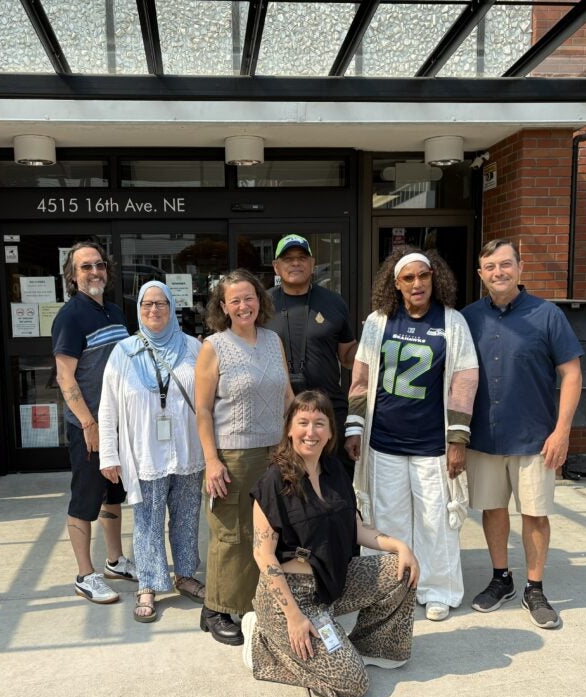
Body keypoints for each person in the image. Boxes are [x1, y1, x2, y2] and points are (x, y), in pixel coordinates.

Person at [245, 390, 419, 697]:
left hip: (333, 582)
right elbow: (263, 555)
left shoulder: (335, 471)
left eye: (319, 423)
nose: (311, 432)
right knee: (353, 684)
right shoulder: (273, 481)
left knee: (401, 569)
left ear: (330, 432)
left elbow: (357, 528)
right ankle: (264, 645)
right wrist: (294, 617)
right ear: (289, 429)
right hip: (292, 597)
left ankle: (369, 646)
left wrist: (399, 546)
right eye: (303, 422)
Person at [344, 248, 478, 622]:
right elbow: (361, 380)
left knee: (436, 518)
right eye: (409, 278)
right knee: (387, 520)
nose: (417, 283)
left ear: (435, 279)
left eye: (424, 276)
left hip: (431, 444)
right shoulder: (377, 322)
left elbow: (464, 382)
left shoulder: (452, 322)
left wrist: (457, 440)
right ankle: (390, 588)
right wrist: (354, 428)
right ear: (396, 284)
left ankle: (438, 590)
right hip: (383, 440)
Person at [461, 239, 583, 630]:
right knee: (492, 509)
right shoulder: (467, 318)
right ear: (480, 275)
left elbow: (571, 373)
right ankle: (501, 579)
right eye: (490, 267)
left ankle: (534, 586)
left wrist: (562, 431)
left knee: (535, 513)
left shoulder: (547, 315)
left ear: (520, 267)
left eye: (505, 264)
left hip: (534, 437)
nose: (499, 272)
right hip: (483, 437)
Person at [195, 269, 293, 645]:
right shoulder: (214, 347)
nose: (242, 305)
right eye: (234, 300)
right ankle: (216, 609)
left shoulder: (272, 341)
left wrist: (294, 442)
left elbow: (286, 395)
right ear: (223, 306)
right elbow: (203, 411)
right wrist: (212, 461)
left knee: (267, 532)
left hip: (274, 451)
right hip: (233, 455)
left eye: (248, 297)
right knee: (231, 534)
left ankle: (256, 602)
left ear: (260, 300)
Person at [99, 280, 205, 623]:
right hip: (144, 453)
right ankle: (149, 583)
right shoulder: (124, 351)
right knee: (147, 522)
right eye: (147, 305)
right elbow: (108, 408)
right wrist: (109, 455)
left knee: (187, 517)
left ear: (172, 308)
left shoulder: (193, 348)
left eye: (161, 304)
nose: (154, 310)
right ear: (139, 310)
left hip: (188, 451)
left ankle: (185, 575)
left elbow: (210, 401)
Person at [52, 240, 137, 604]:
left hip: (118, 423)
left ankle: (114, 561)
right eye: (85, 267)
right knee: (85, 499)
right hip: (89, 427)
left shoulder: (115, 312)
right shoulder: (70, 317)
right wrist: (89, 425)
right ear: (73, 275)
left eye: (99, 265)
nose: (94, 272)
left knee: (113, 492)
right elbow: (64, 377)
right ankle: (85, 575)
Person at [266, 234, 358, 476]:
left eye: (301, 258)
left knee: (334, 483)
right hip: (278, 413)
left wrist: (374, 338)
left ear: (312, 263)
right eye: (288, 259)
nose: (295, 263)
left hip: (327, 412)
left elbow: (348, 357)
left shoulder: (334, 302)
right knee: (286, 486)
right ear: (276, 266)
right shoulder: (262, 304)